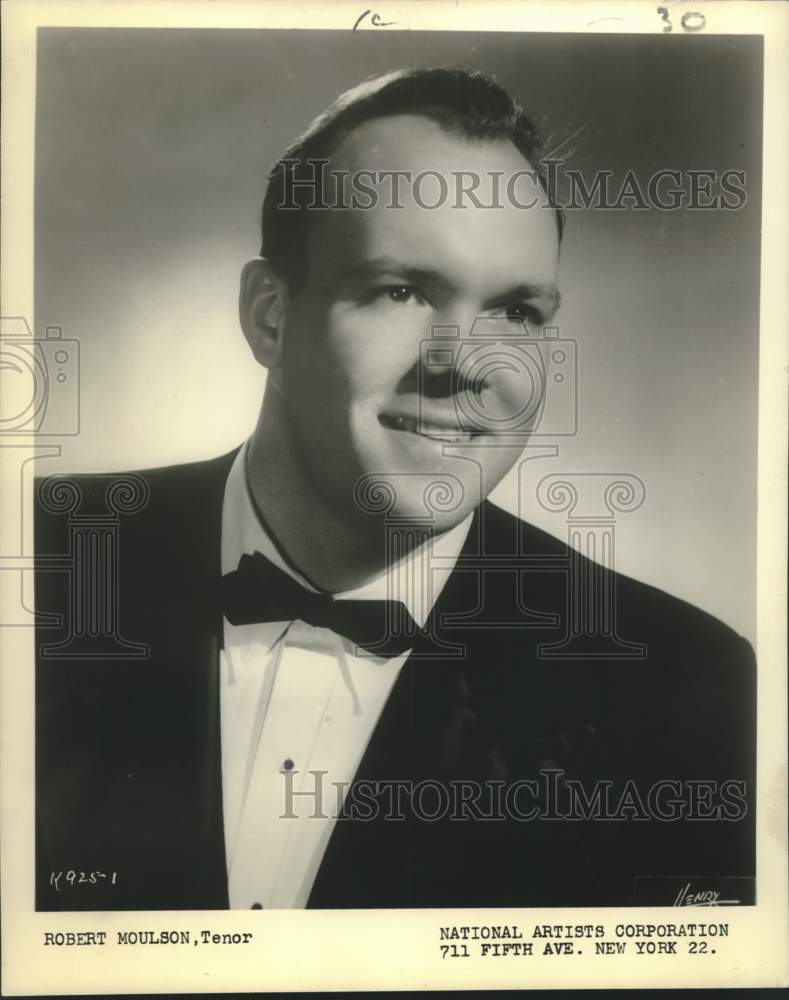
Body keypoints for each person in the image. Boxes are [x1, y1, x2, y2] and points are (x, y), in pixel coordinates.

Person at [35, 67, 755, 911]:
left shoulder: (680, 693)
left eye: (516, 311)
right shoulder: (38, 562)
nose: (465, 363)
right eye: (402, 290)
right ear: (270, 316)